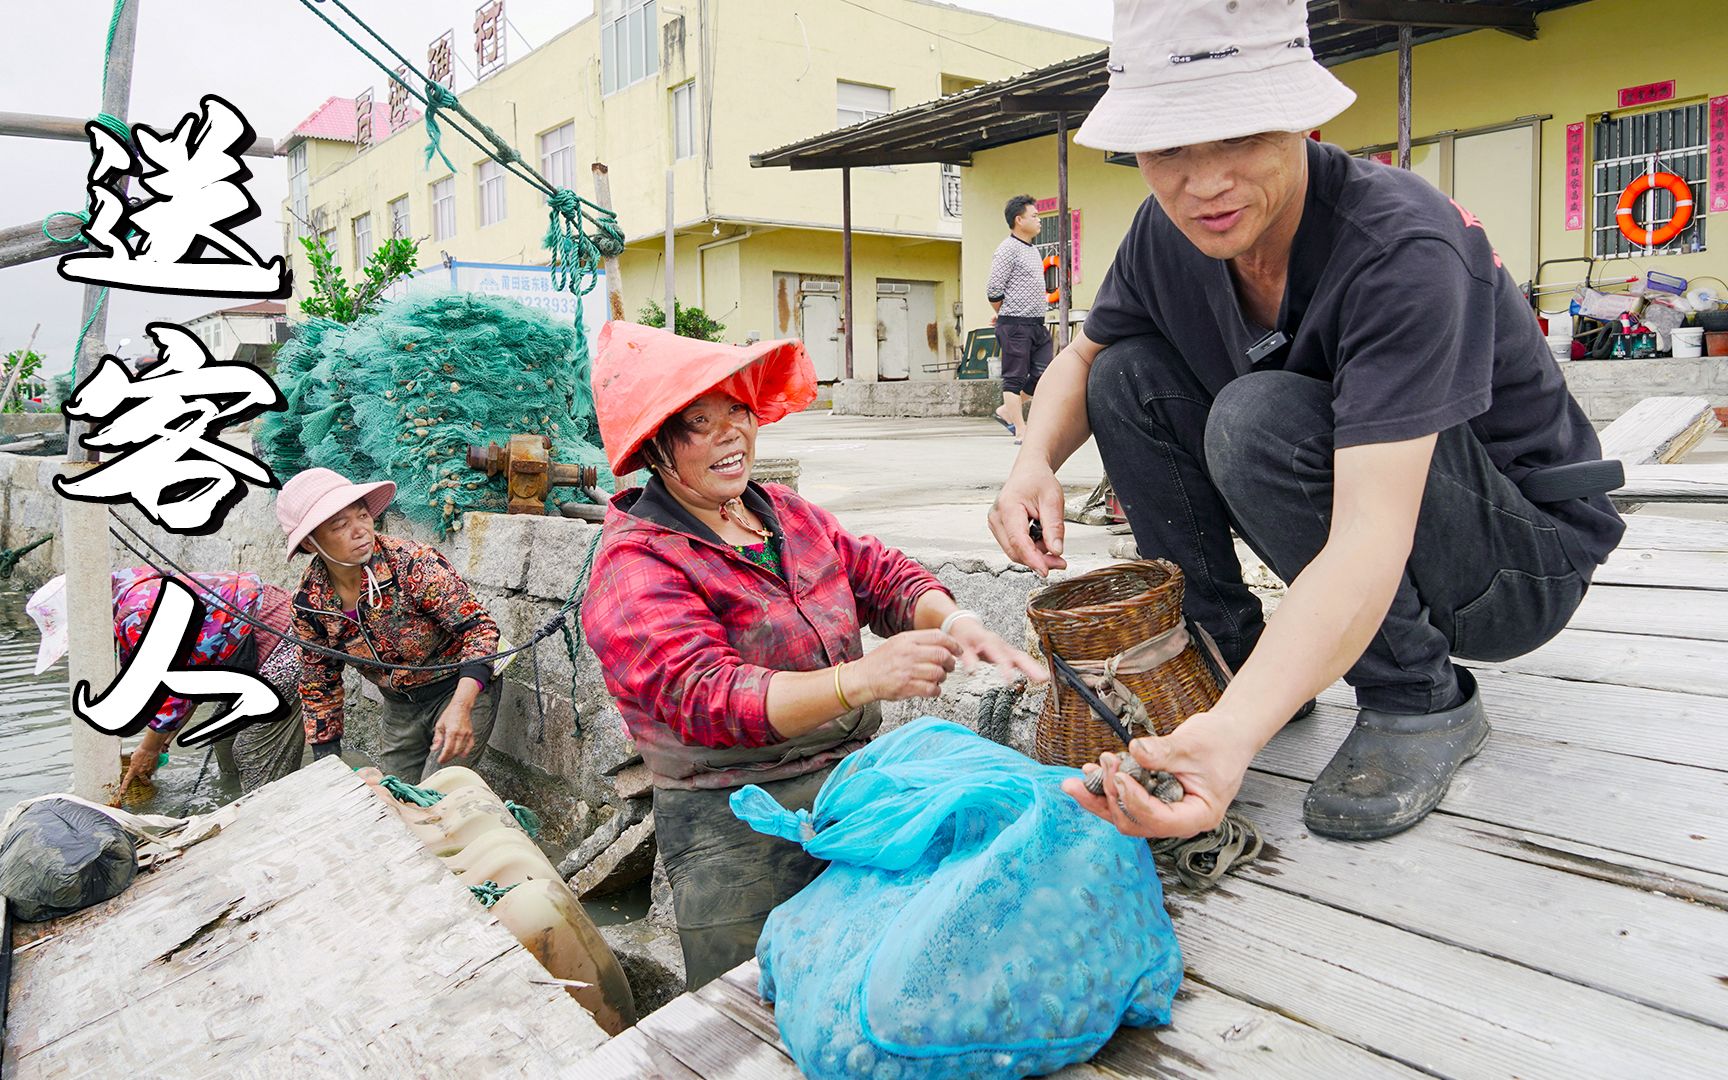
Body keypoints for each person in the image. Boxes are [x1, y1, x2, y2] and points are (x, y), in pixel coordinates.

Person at [989, 0, 1624, 843]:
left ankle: (1416, 697)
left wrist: (1233, 743)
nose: (1204, 182)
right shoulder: (1167, 232)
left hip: (1516, 565)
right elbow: (1081, 359)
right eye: (1169, 148)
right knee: (1127, 375)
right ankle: (1231, 664)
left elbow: (1369, 531)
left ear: (1302, 124)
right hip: (1382, 539)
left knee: (1259, 417)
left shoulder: (1400, 248)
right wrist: (1032, 463)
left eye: (1241, 137)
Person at [582, 321, 1045, 989]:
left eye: (738, 410)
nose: (731, 433)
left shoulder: (783, 513)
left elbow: (878, 575)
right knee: (753, 1005)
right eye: (700, 422)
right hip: (733, 820)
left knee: (883, 970)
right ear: (656, 447)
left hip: (849, 786)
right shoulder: (635, 566)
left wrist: (957, 620)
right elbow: (710, 696)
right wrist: (860, 679)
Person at [276, 468, 503, 784]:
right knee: (392, 798)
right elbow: (319, 682)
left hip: (458, 685)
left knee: (436, 794)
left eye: (363, 516)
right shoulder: (309, 603)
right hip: (400, 706)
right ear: (312, 544)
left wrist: (461, 706)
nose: (360, 531)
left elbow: (479, 629)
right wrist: (326, 766)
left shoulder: (411, 562)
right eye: (340, 525)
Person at [25, 567, 305, 799]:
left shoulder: (137, 614)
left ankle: (270, 824)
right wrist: (162, 741)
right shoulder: (128, 590)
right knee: (223, 738)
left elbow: (170, 692)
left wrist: (148, 748)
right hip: (246, 649)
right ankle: (236, 802)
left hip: (281, 640)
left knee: (252, 754)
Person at [986, 193, 1055, 442]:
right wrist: (1003, 314)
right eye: (1034, 216)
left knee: (1044, 373)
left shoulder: (1033, 250)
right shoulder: (1007, 250)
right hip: (1015, 324)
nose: (1039, 220)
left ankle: (1006, 411)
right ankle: (1020, 430)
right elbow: (994, 289)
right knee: (1014, 378)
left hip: (1036, 324)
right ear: (1019, 220)